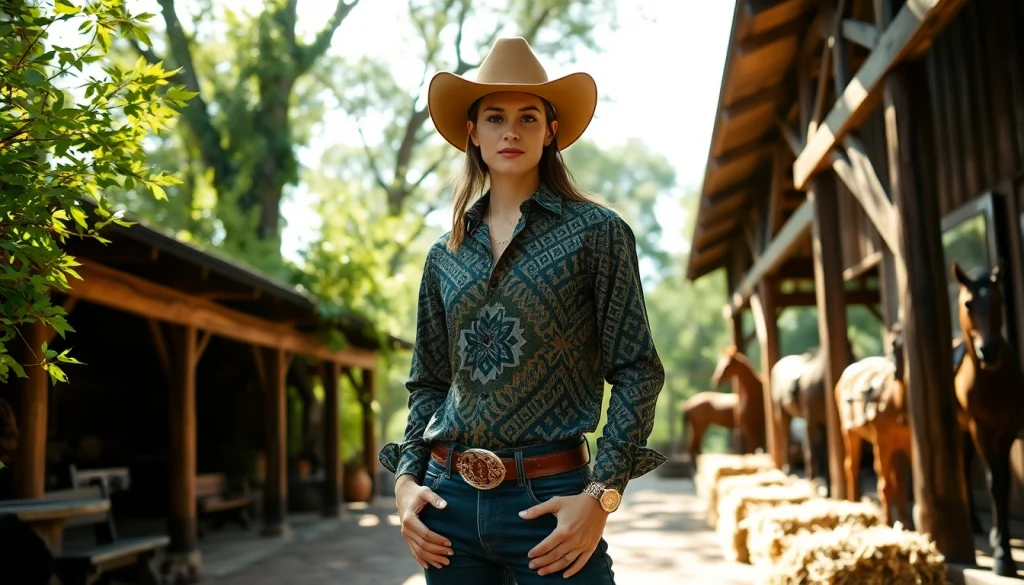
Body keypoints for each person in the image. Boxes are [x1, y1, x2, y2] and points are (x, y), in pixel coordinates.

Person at [379, 37, 665, 585]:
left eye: (527, 117)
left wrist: (600, 495)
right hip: (447, 506)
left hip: (551, 501)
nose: (510, 131)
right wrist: (405, 484)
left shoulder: (598, 234)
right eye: (495, 117)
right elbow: (429, 382)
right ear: (473, 130)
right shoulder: (446, 254)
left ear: (550, 130)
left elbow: (636, 371)